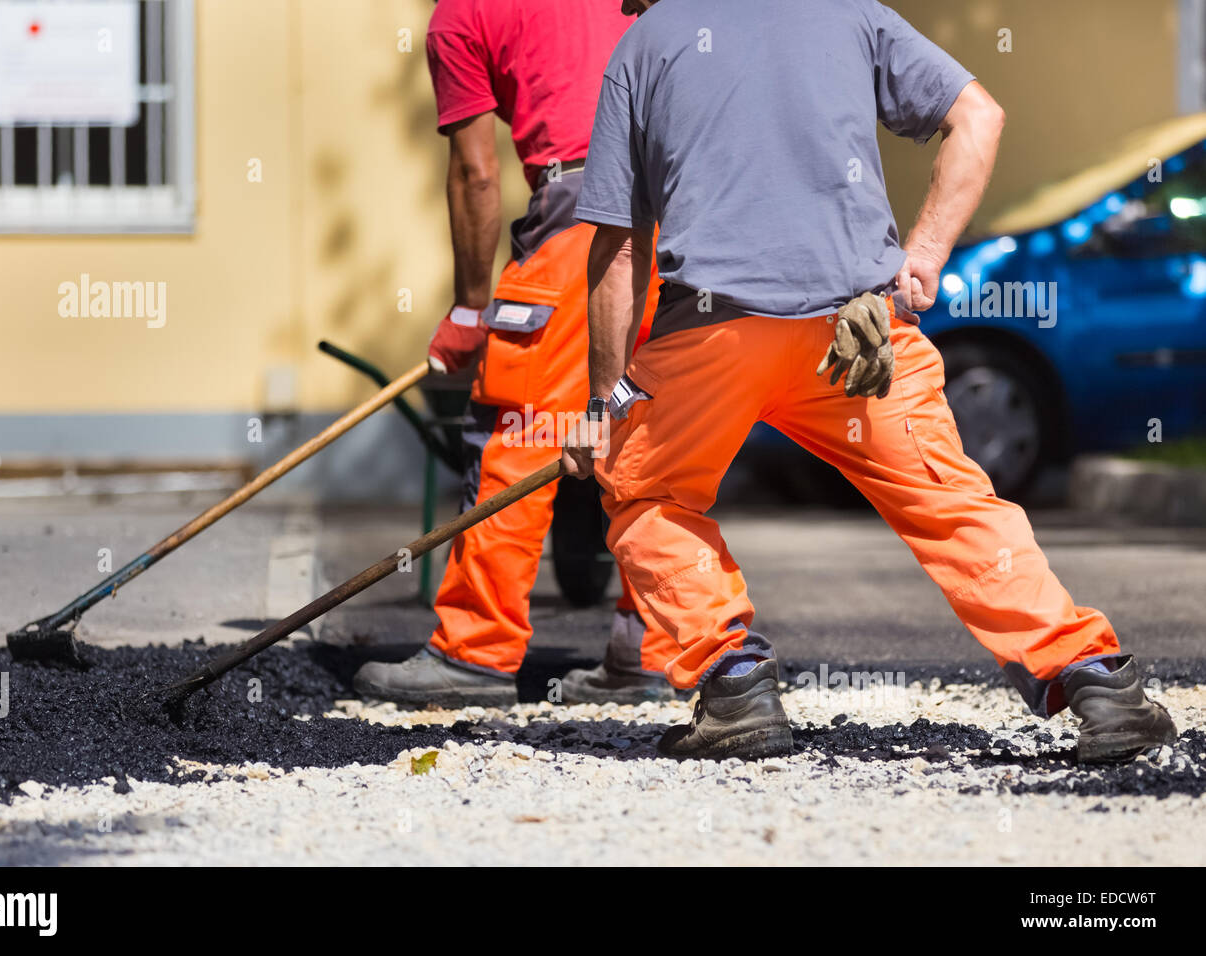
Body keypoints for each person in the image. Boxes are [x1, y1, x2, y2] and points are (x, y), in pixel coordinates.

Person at [563, 0, 1177, 762]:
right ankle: (1093, 678)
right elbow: (979, 117)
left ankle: (733, 684)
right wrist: (922, 257)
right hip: (861, 334)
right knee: (952, 506)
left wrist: (601, 408)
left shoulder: (644, 43)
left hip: (712, 336)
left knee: (646, 491)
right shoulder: (849, 12)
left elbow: (619, 251)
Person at [354, 0, 678, 707]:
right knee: (650, 431)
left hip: (585, 211)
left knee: (520, 429)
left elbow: (475, 174)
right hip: (685, 205)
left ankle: (475, 652)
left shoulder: (459, 16)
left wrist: (470, 310)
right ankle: (647, 647)